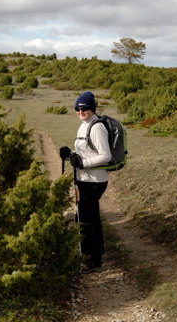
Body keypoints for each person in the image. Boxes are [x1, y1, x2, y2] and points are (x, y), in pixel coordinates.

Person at [61, 91, 113, 273]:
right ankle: (97, 253)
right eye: (78, 108)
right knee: (91, 217)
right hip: (85, 179)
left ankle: (92, 262)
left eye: (85, 108)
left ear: (92, 109)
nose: (81, 111)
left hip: (93, 181)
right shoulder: (84, 125)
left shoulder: (97, 127)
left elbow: (105, 156)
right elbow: (85, 151)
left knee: (85, 220)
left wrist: (83, 163)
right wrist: (70, 155)